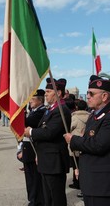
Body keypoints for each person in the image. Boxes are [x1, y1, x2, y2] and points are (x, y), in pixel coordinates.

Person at [64, 75, 110, 206]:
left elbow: (99, 145)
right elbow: (88, 141)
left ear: (104, 96)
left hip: (104, 184)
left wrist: (73, 139)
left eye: (91, 93)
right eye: (87, 93)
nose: (87, 96)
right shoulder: (94, 115)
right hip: (91, 180)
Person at [24, 78, 71, 206]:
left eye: (49, 91)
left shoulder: (61, 110)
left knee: (56, 197)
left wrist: (31, 132)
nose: (46, 94)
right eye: (46, 91)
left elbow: (50, 132)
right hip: (46, 159)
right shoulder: (50, 109)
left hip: (54, 161)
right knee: (47, 196)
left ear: (58, 93)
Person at [18, 89, 46, 206]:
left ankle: (36, 201)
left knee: (34, 178)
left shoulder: (41, 111)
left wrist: (19, 110)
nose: (30, 102)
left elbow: (27, 122)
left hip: (34, 149)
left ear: (40, 100)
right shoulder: (35, 110)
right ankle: (32, 199)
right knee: (29, 178)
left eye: (33, 99)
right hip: (28, 148)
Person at [66, 98, 89, 198]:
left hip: (75, 144)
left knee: (76, 166)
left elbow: (68, 128)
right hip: (85, 144)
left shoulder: (74, 117)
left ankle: (78, 183)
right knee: (84, 167)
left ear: (77, 107)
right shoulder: (90, 116)